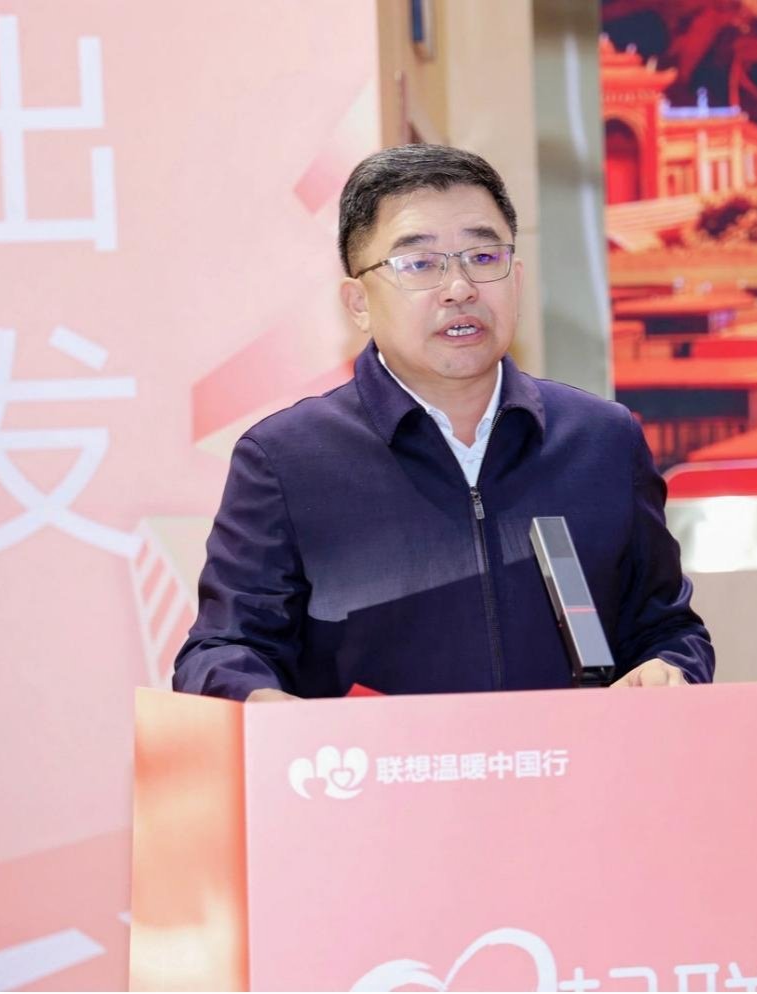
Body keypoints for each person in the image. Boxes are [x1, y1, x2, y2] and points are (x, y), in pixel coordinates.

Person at [173, 144, 713, 701]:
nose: (460, 288)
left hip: (573, 757)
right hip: (375, 759)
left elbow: (667, 631)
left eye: (483, 257)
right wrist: (263, 704)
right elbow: (223, 650)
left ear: (516, 279)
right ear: (358, 303)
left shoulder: (602, 440)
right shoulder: (286, 460)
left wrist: (667, 668)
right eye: (420, 264)